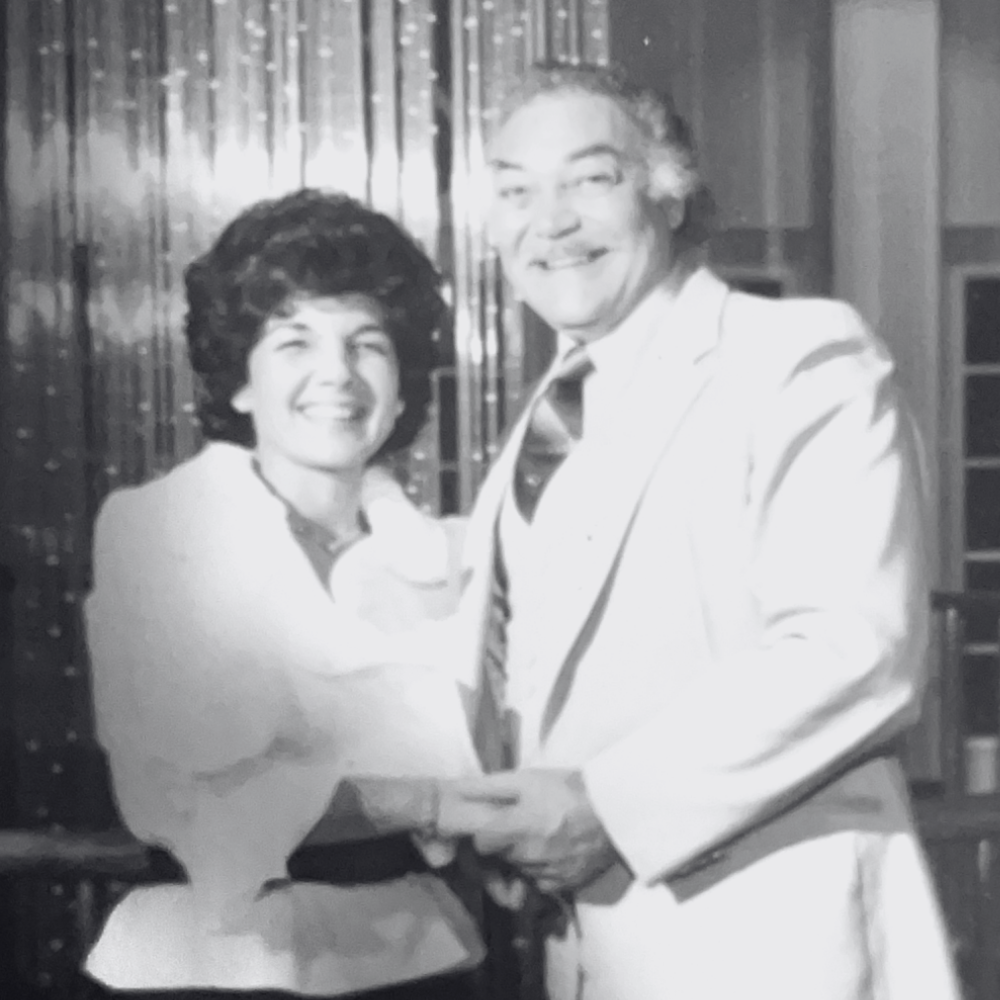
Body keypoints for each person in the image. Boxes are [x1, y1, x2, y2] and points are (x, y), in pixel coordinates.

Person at [424, 63, 961, 1000]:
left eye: (591, 179)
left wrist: (606, 808)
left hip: (771, 944)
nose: (549, 222)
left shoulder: (798, 356)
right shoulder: (544, 418)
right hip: (590, 948)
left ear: (669, 196)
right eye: (516, 192)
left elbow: (855, 650)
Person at [81, 189, 484, 1000]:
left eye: (368, 344)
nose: (337, 373)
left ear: (402, 384)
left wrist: (428, 803)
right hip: (203, 969)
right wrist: (440, 801)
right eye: (294, 341)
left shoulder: (454, 557)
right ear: (240, 381)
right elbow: (202, 804)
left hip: (417, 962)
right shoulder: (157, 531)